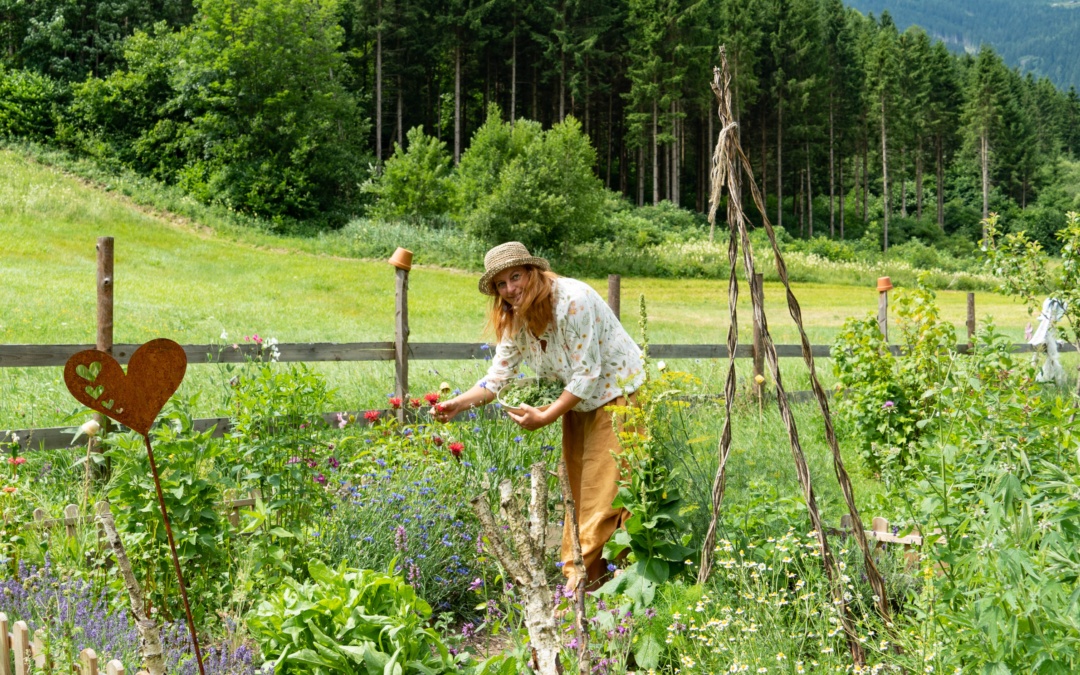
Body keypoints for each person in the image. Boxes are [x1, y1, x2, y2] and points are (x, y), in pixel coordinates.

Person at [432, 241, 645, 591]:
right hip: (576, 404)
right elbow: (498, 378)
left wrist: (545, 418)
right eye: (501, 284)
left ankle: (587, 588)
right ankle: (595, 585)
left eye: (515, 276)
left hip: (618, 394)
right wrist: (458, 404)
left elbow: (587, 373)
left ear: (533, 272)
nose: (510, 289)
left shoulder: (572, 301)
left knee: (605, 494)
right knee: (577, 493)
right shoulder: (516, 318)